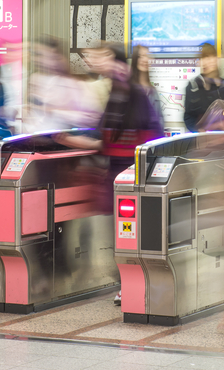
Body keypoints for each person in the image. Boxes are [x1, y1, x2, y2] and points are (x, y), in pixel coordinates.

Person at [55, 43, 162, 306]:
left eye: (107, 58)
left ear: (121, 64)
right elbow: (104, 140)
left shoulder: (136, 94)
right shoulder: (114, 94)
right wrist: (71, 140)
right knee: (121, 234)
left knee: (132, 232)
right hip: (116, 174)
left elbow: (151, 136)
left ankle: (137, 283)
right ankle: (128, 283)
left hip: (135, 174)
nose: (99, 62)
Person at [26, 37, 101, 133]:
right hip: (36, 137)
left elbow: (91, 119)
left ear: (56, 56)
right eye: (34, 55)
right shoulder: (36, 79)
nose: (35, 59)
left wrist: (53, 111)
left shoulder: (75, 84)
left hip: (63, 140)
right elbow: (33, 117)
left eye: (39, 55)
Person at [183, 42, 224, 131]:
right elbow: (188, 117)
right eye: (205, 57)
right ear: (200, 62)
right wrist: (198, 130)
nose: (209, 60)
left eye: (212, 56)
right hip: (203, 139)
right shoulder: (193, 86)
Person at [131, 45, 162, 119]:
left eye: (148, 56)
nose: (145, 60)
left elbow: (159, 118)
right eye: (140, 56)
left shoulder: (153, 90)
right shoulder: (128, 87)